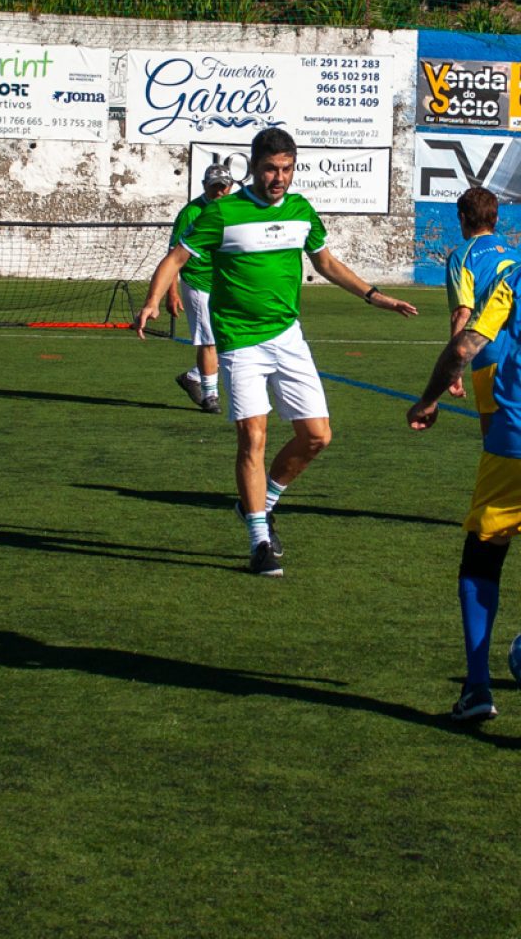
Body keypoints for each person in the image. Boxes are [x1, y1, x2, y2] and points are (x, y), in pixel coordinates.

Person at [135, 128, 417, 577]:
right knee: (254, 438)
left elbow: (325, 262)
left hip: (287, 338)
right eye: (270, 168)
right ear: (254, 165)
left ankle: (259, 504)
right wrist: (154, 299)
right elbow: (175, 259)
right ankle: (259, 541)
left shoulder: (302, 212)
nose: (278, 177)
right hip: (239, 342)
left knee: (317, 436)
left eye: (286, 168)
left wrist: (374, 295)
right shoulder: (223, 211)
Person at [408, 261, 521, 720]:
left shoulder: (514, 280)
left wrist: (429, 397)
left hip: (513, 446)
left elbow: (466, 345)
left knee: (482, 557)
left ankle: (477, 688)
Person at [444, 186, 516, 435]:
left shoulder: (462, 257)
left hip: (490, 356)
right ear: (495, 218)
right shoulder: (516, 256)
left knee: (496, 440)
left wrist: (455, 367)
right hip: (517, 353)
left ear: (462, 218)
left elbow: (462, 313)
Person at [166, 163, 234, 414]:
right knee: (208, 340)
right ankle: (211, 396)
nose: (219, 191)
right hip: (197, 282)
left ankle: (194, 377)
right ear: (205, 185)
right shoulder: (191, 213)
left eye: (223, 187)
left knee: (226, 338)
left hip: (223, 283)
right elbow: (173, 255)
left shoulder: (231, 209)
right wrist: (171, 292)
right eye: (215, 186)